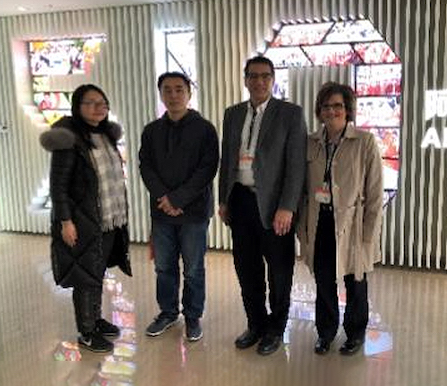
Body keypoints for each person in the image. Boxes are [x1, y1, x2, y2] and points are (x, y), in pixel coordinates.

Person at [219, 56, 307, 355]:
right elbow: (227, 158)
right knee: (247, 268)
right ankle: (256, 323)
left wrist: (288, 207)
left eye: (265, 76)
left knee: (279, 271)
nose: (258, 81)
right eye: (253, 76)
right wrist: (223, 199)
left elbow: (296, 166)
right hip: (240, 200)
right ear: (245, 79)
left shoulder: (290, 114)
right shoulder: (232, 114)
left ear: (273, 80)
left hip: (274, 205)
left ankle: (276, 328)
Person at [39, 84, 132, 353]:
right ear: (78, 107)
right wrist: (65, 222)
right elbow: (58, 186)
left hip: (106, 219)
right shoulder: (69, 140)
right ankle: (87, 332)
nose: (98, 108)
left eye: (102, 103)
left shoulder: (104, 135)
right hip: (82, 221)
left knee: (96, 273)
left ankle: (96, 319)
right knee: (85, 277)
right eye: (90, 103)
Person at [297, 82, 383, 356]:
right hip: (320, 223)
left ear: (347, 110)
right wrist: (303, 230)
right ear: (319, 111)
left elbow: (374, 194)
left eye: (337, 106)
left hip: (352, 226)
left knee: (355, 282)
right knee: (323, 282)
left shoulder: (364, 142)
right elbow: (301, 191)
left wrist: (369, 235)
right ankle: (325, 333)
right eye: (326, 106)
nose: (331, 111)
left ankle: (355, 334)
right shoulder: (310, 142)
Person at [139, 72, 219, 342]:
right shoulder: (151, 131)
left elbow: (207, 169)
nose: (173, 95)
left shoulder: (205, 129)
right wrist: (164, 197)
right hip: (161, 212)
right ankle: (168, 312)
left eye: (179, 89)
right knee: (164, 266)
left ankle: (193, 315)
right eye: (167, 90)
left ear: (189, 93)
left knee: (194, 267)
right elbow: (145, 166)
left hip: (193, 213)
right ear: (160, 93)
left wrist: (179, 199)